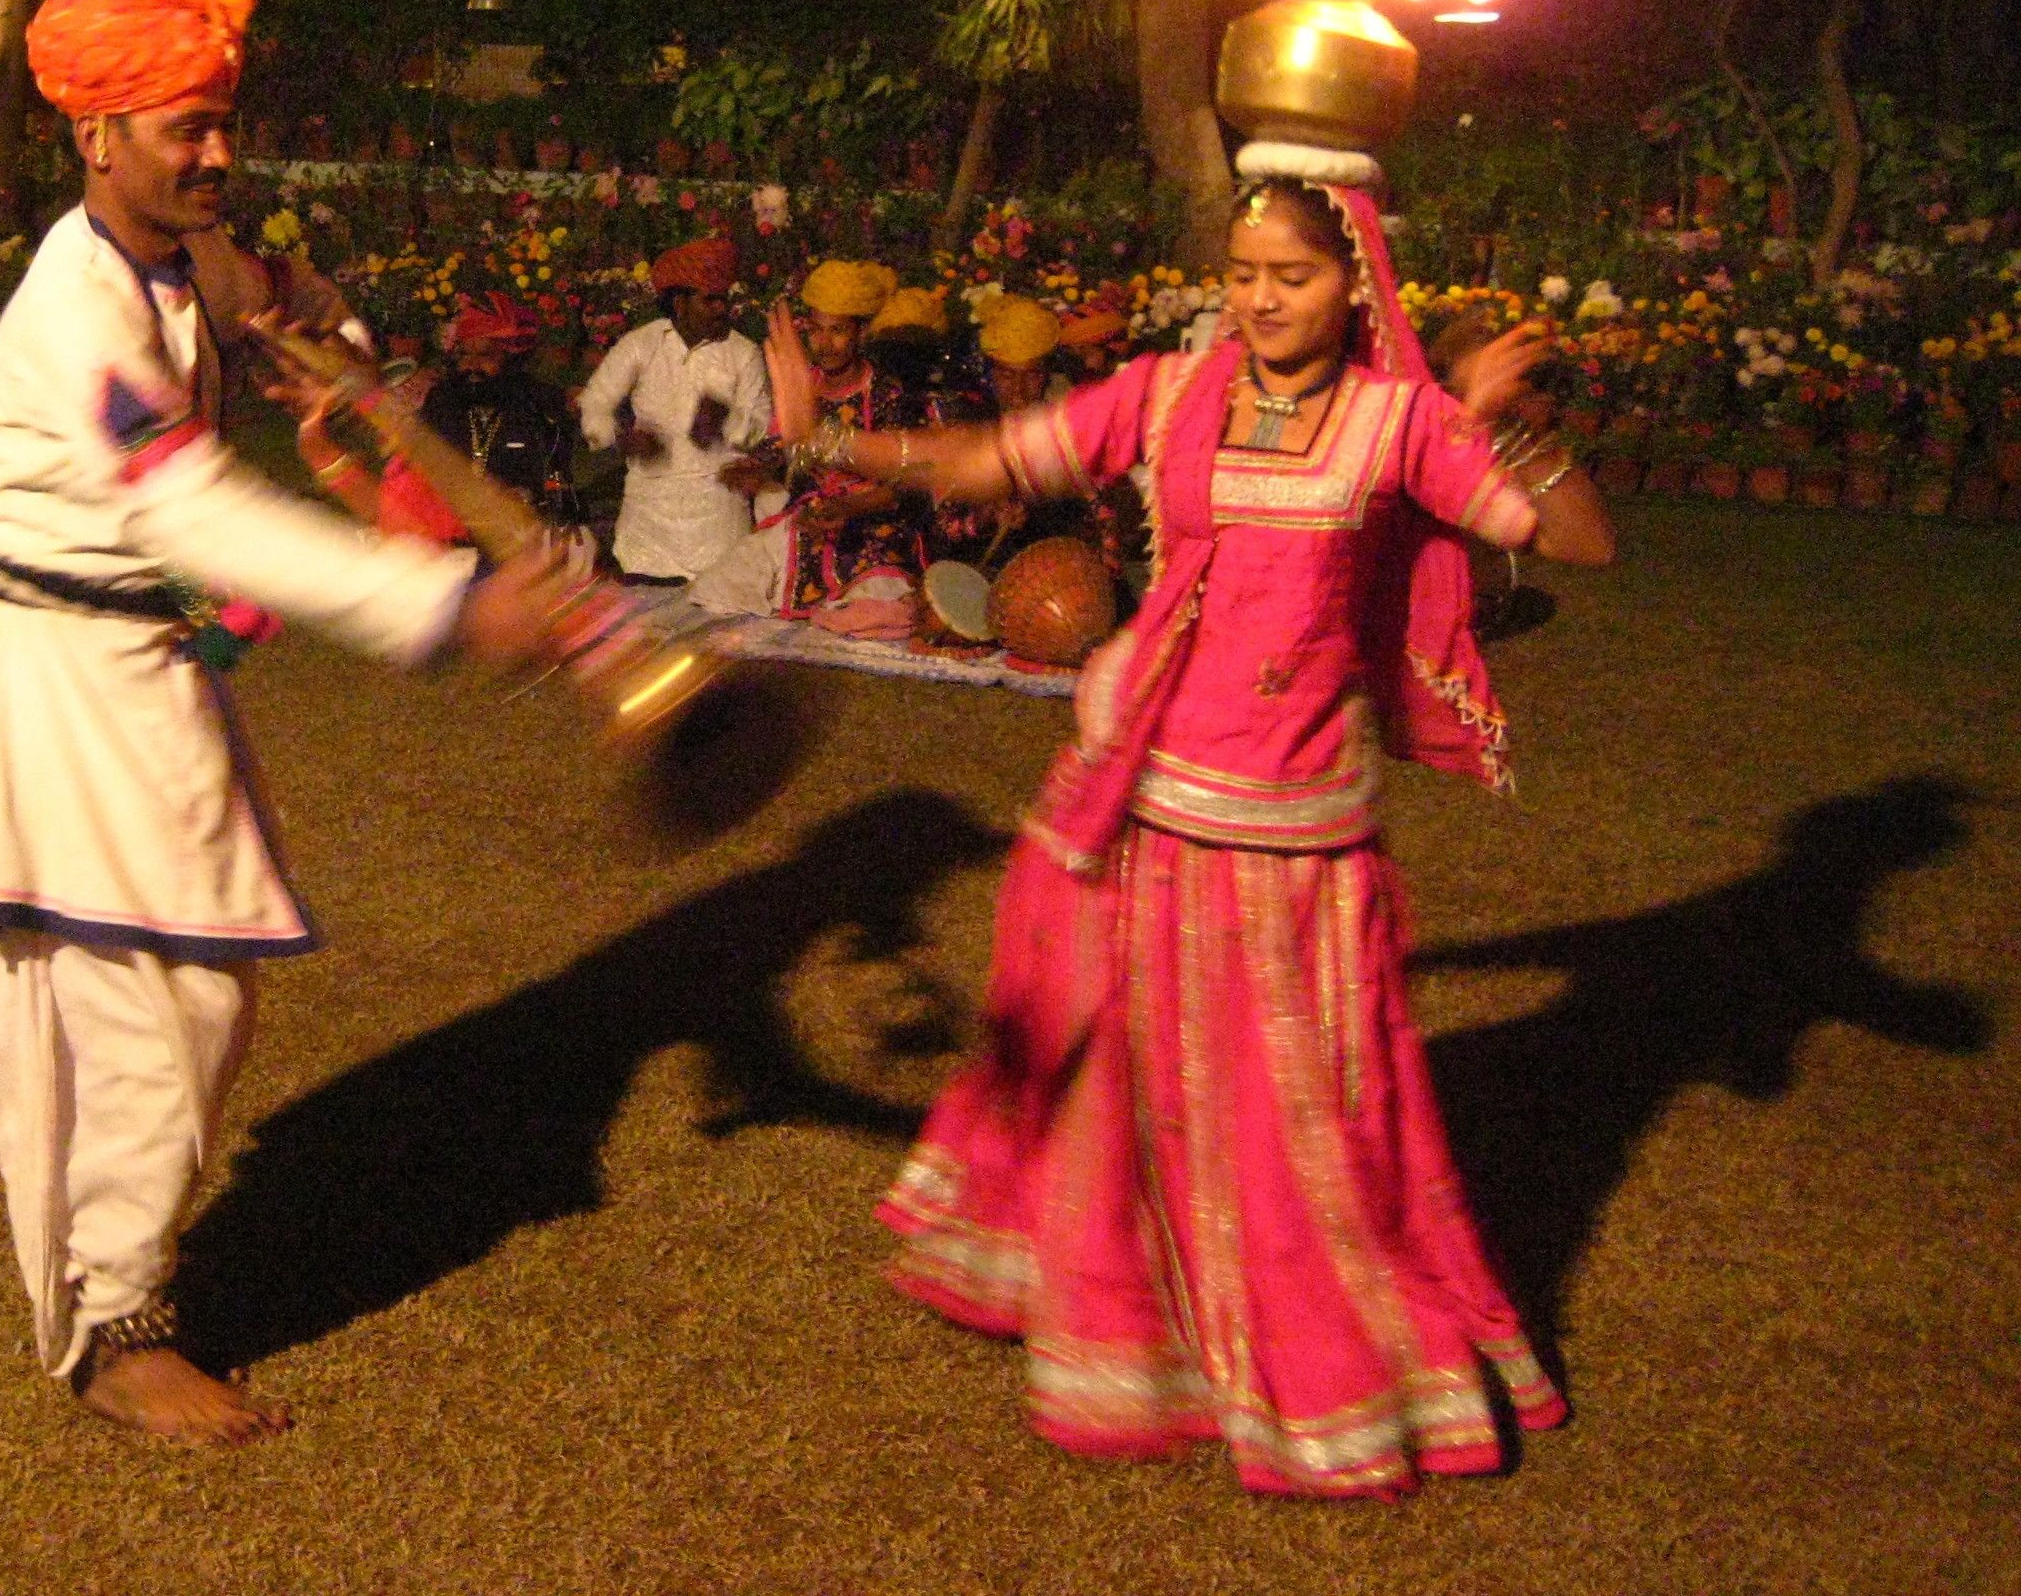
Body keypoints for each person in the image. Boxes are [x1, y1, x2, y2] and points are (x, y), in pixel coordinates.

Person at [808, 168, 1616, 1499]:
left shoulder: (1392, 421)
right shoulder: (1177, 387)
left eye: (1288, 278)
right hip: (1156, 789)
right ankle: (1159, 1315)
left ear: (1351, 283)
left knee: (1302, 1107)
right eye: (1242, 274)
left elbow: (1575, 542)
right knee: (1137, 1074)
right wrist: (833, 450)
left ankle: (1307, 1346)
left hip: (1298, 823)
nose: (1258, 300)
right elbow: (1003, 457)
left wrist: (1515, 426)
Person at [0, 0, 573, 1446]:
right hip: (55, 700)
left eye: (223, 122)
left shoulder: (173, 255)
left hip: (118, 682)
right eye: (182, 130)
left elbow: (261, 283)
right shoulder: (75, 317)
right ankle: (111, 1325)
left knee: (171, 1005)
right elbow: (191, 511)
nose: (217, 152)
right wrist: (449, 606)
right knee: (155, 1006)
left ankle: (105, 1292)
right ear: (97, 137)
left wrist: (315, 320)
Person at [689, 259, 922, 629]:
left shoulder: (888, 394)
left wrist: (848, 505)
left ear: (861, 334)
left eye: (838, 332)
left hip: (871, 526)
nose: (824, 344)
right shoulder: (802, 383)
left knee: (877, 608)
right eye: (815, 330)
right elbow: (779, 444)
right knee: (717, 588)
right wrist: (756, 468)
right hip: (810, 519)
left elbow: (901, 486)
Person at [301, 291, 577, 542]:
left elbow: (556, 475)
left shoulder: (540, 404)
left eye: (485, 356)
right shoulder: (444, 398)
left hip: (516, 529)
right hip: (447, 531)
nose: (471, 365)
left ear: (513, 357)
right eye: (464, 355)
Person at [577, 235, 772, 580]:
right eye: (710, 301)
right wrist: (621, 438)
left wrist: (726, 422)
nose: (721, 309)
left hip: (718, 516)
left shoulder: (743, 352)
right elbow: (595, 402)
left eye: (723, 300)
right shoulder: (641, 344)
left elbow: (759, 423)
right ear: (680, 304)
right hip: (648, 522)